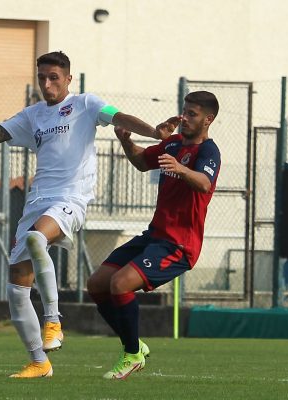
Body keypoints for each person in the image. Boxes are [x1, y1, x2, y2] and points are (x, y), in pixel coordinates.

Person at [0, 51, 169, 378]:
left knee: (37, 238)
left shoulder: (86, 104)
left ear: (68, 78)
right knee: (16, 290)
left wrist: (154, 133)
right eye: (42, 77)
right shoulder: (33, 115)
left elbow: (120, 117)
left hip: (71, 198)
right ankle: (39, 362)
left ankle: (53, 321)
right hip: (36, 202)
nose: (47, 83)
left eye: (54, 77)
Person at [87, 91, 221, 380]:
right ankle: (134, 348)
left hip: (179, 245)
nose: (185, 117)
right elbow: (140, 161)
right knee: (97, 284)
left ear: (208, 120)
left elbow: (204, 182)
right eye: (185, 111)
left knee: (120, 284)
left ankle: (132, 354)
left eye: (193, 114)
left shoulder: (209, 152)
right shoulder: (171, 143)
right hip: (153, 236)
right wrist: (126, 142)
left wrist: (182, 169)